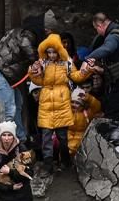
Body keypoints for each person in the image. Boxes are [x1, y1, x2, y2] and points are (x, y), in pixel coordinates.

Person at [27, 34, 90, 166]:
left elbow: (76, 77)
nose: (51, 55)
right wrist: (32, 72)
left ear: (59, 50)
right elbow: (38, 80)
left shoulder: (67, 63)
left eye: (54, 52)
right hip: (46, 105)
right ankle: (48, 165)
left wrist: (85, 71)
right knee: (46, 139)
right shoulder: (42, 63)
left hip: (62, 104)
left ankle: (65, 162)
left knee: (62, 138)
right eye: (48, 52)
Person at [0, 20, 38, 133]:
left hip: (4, 72)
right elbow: (27, 49)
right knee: (9, 109)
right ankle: (7, 144)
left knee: (18, 103)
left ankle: (20, 140)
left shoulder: (17, 31)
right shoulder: (26, 35)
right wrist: (37, 59)